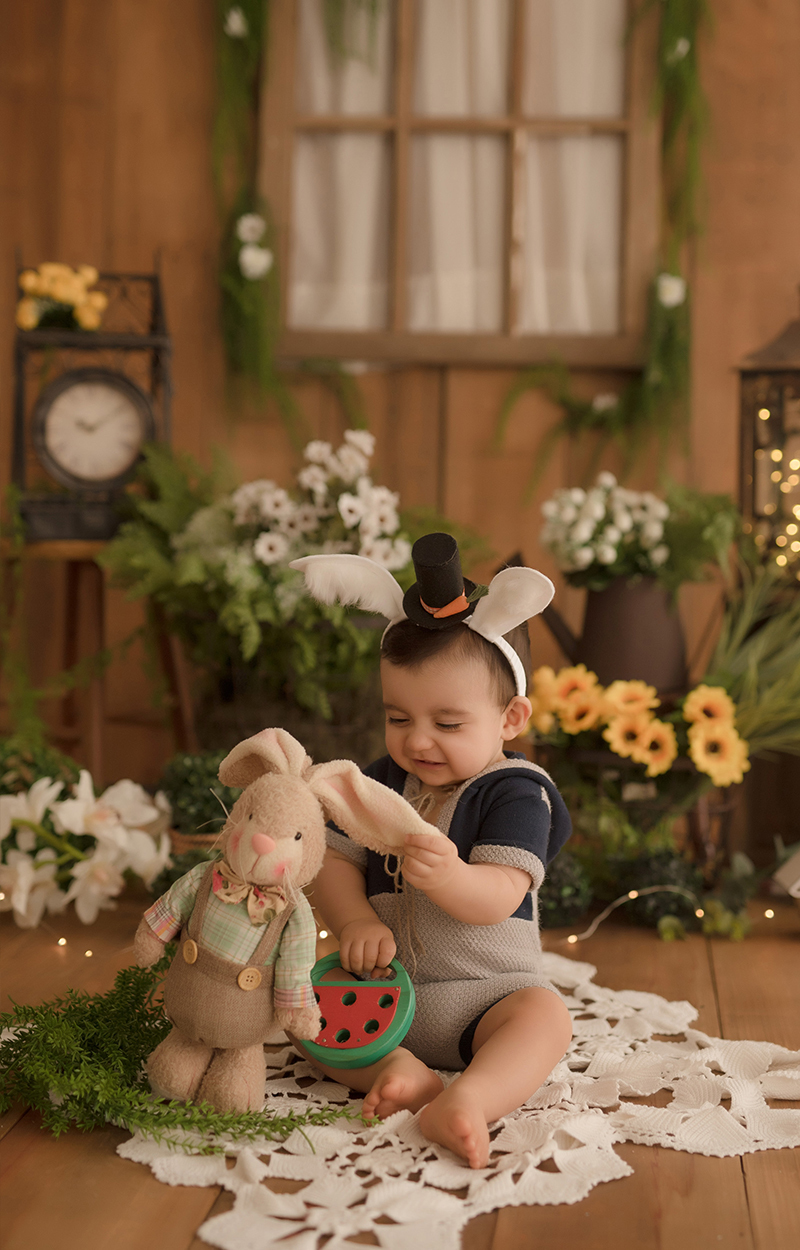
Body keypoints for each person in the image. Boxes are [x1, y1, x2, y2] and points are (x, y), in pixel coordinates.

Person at [289, 533, 573, 1169]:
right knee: (301, 1011)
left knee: (547, 1018)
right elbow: (334, 861)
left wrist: (450, 877)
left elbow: (502, 894)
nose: (417, 741)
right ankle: (401, 1072)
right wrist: (355, 920)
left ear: (511, 718)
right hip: (385, 996)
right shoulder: (379, 784)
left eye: (447, 723)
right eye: (398, 717)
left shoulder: (516, 793)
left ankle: (468, 1097)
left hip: (487, 997)